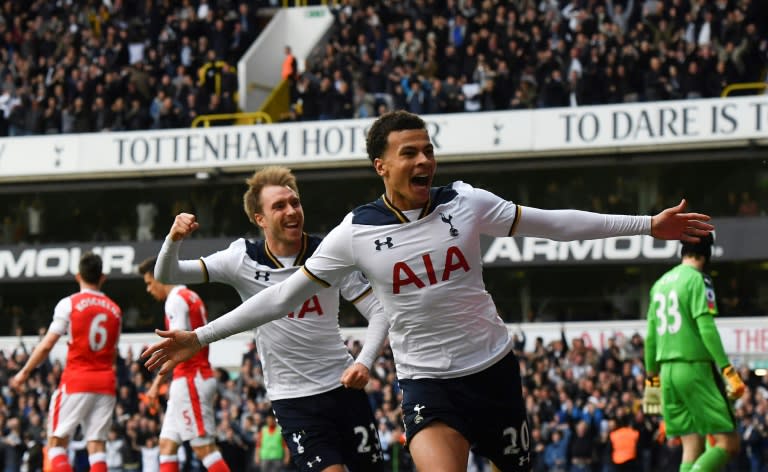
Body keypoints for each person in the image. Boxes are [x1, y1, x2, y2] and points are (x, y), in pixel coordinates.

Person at [143, 110, 714, 471]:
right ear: (381, 166)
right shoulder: (354, 233)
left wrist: (646, 225)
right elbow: (281, 296)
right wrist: (200, 334)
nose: (424, 160)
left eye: (428, 149)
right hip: (425, 382)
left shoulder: (465, 202)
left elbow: (556, 222)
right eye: (409, 153)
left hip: (493, 369)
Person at [151, 166, 388, 472]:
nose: (292, 211)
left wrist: (364, 362)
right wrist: (173, 239)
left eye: (295, 203)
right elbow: (168, 274)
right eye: (279, 206)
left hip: (343, 387)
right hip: (293, 400)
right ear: (259, 218)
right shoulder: (241, 259)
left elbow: (379, 311)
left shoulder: (329, 254)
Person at [642, 233, 745, 471]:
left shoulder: (659, 284)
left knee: (692, 444)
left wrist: (651, 379)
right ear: (706, 255)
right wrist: (727, 369)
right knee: (728, 443)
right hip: (695, 368)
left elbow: (650, 337)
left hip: (666, 373)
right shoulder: (699, 280)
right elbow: (706, 328)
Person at [11, 252, 121, 472]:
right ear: (103, 278)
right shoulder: (115, 310)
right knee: (97, 446)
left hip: (76, 380)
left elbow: (46, 345)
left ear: (77, 276)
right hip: (105, 382)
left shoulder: (69, 304)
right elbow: (113, 353)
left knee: (56, 443)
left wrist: (24, 372)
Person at [137, 257, 231, 472]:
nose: (149, 289)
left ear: (160, 277)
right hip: (190, 378)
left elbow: (176, 347)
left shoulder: (175, 300)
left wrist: (154, 385)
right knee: (167, 444)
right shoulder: (190, 295)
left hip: (191, 379)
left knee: (204, 448)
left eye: (150, 283)